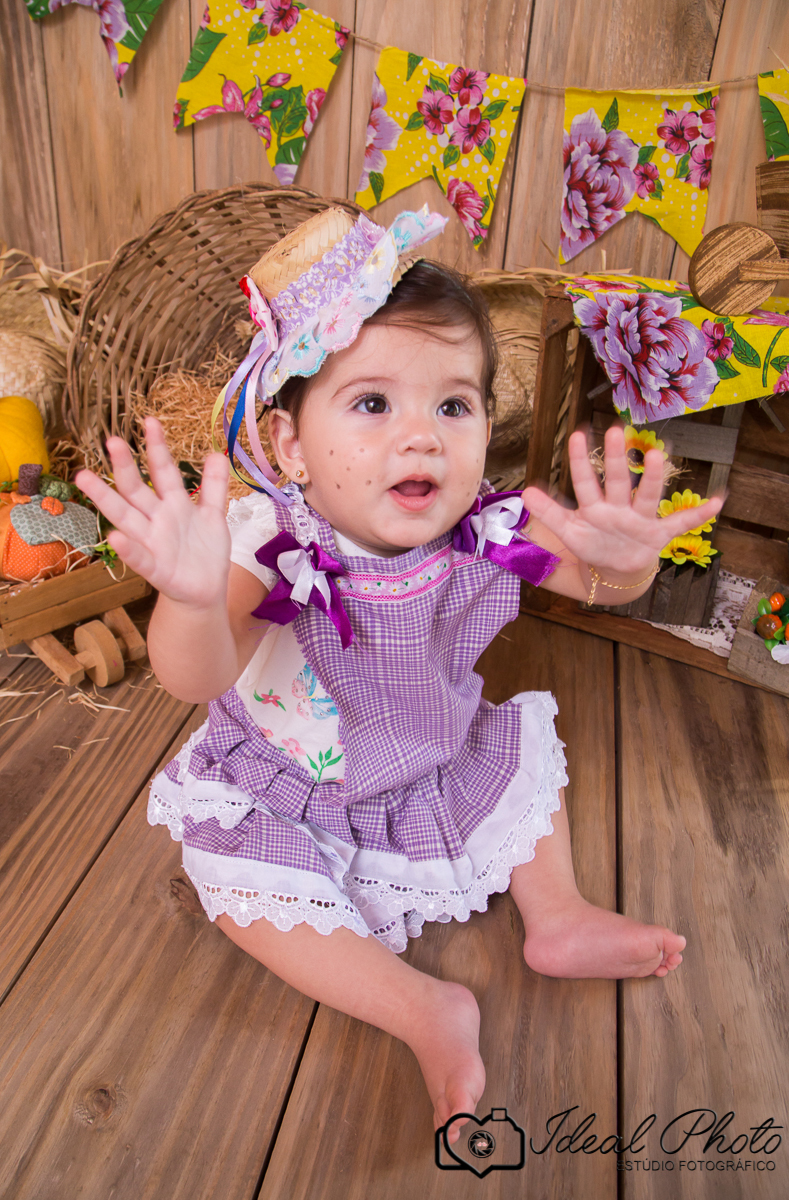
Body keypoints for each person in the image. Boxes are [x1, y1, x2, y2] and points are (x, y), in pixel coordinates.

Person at [75, 206, 723, 1146]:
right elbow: (194, 671)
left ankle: (561, 915)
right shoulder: (275, 545)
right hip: (293, 790)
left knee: (512, 759)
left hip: (430, 757)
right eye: (373, 404)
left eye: (452, 406)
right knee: (237, 880)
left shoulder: (490, 527)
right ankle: (422, 1008)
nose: (421, 436)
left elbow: (596, 582)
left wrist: (623, 559)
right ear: (292, 446)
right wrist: (181, 594)